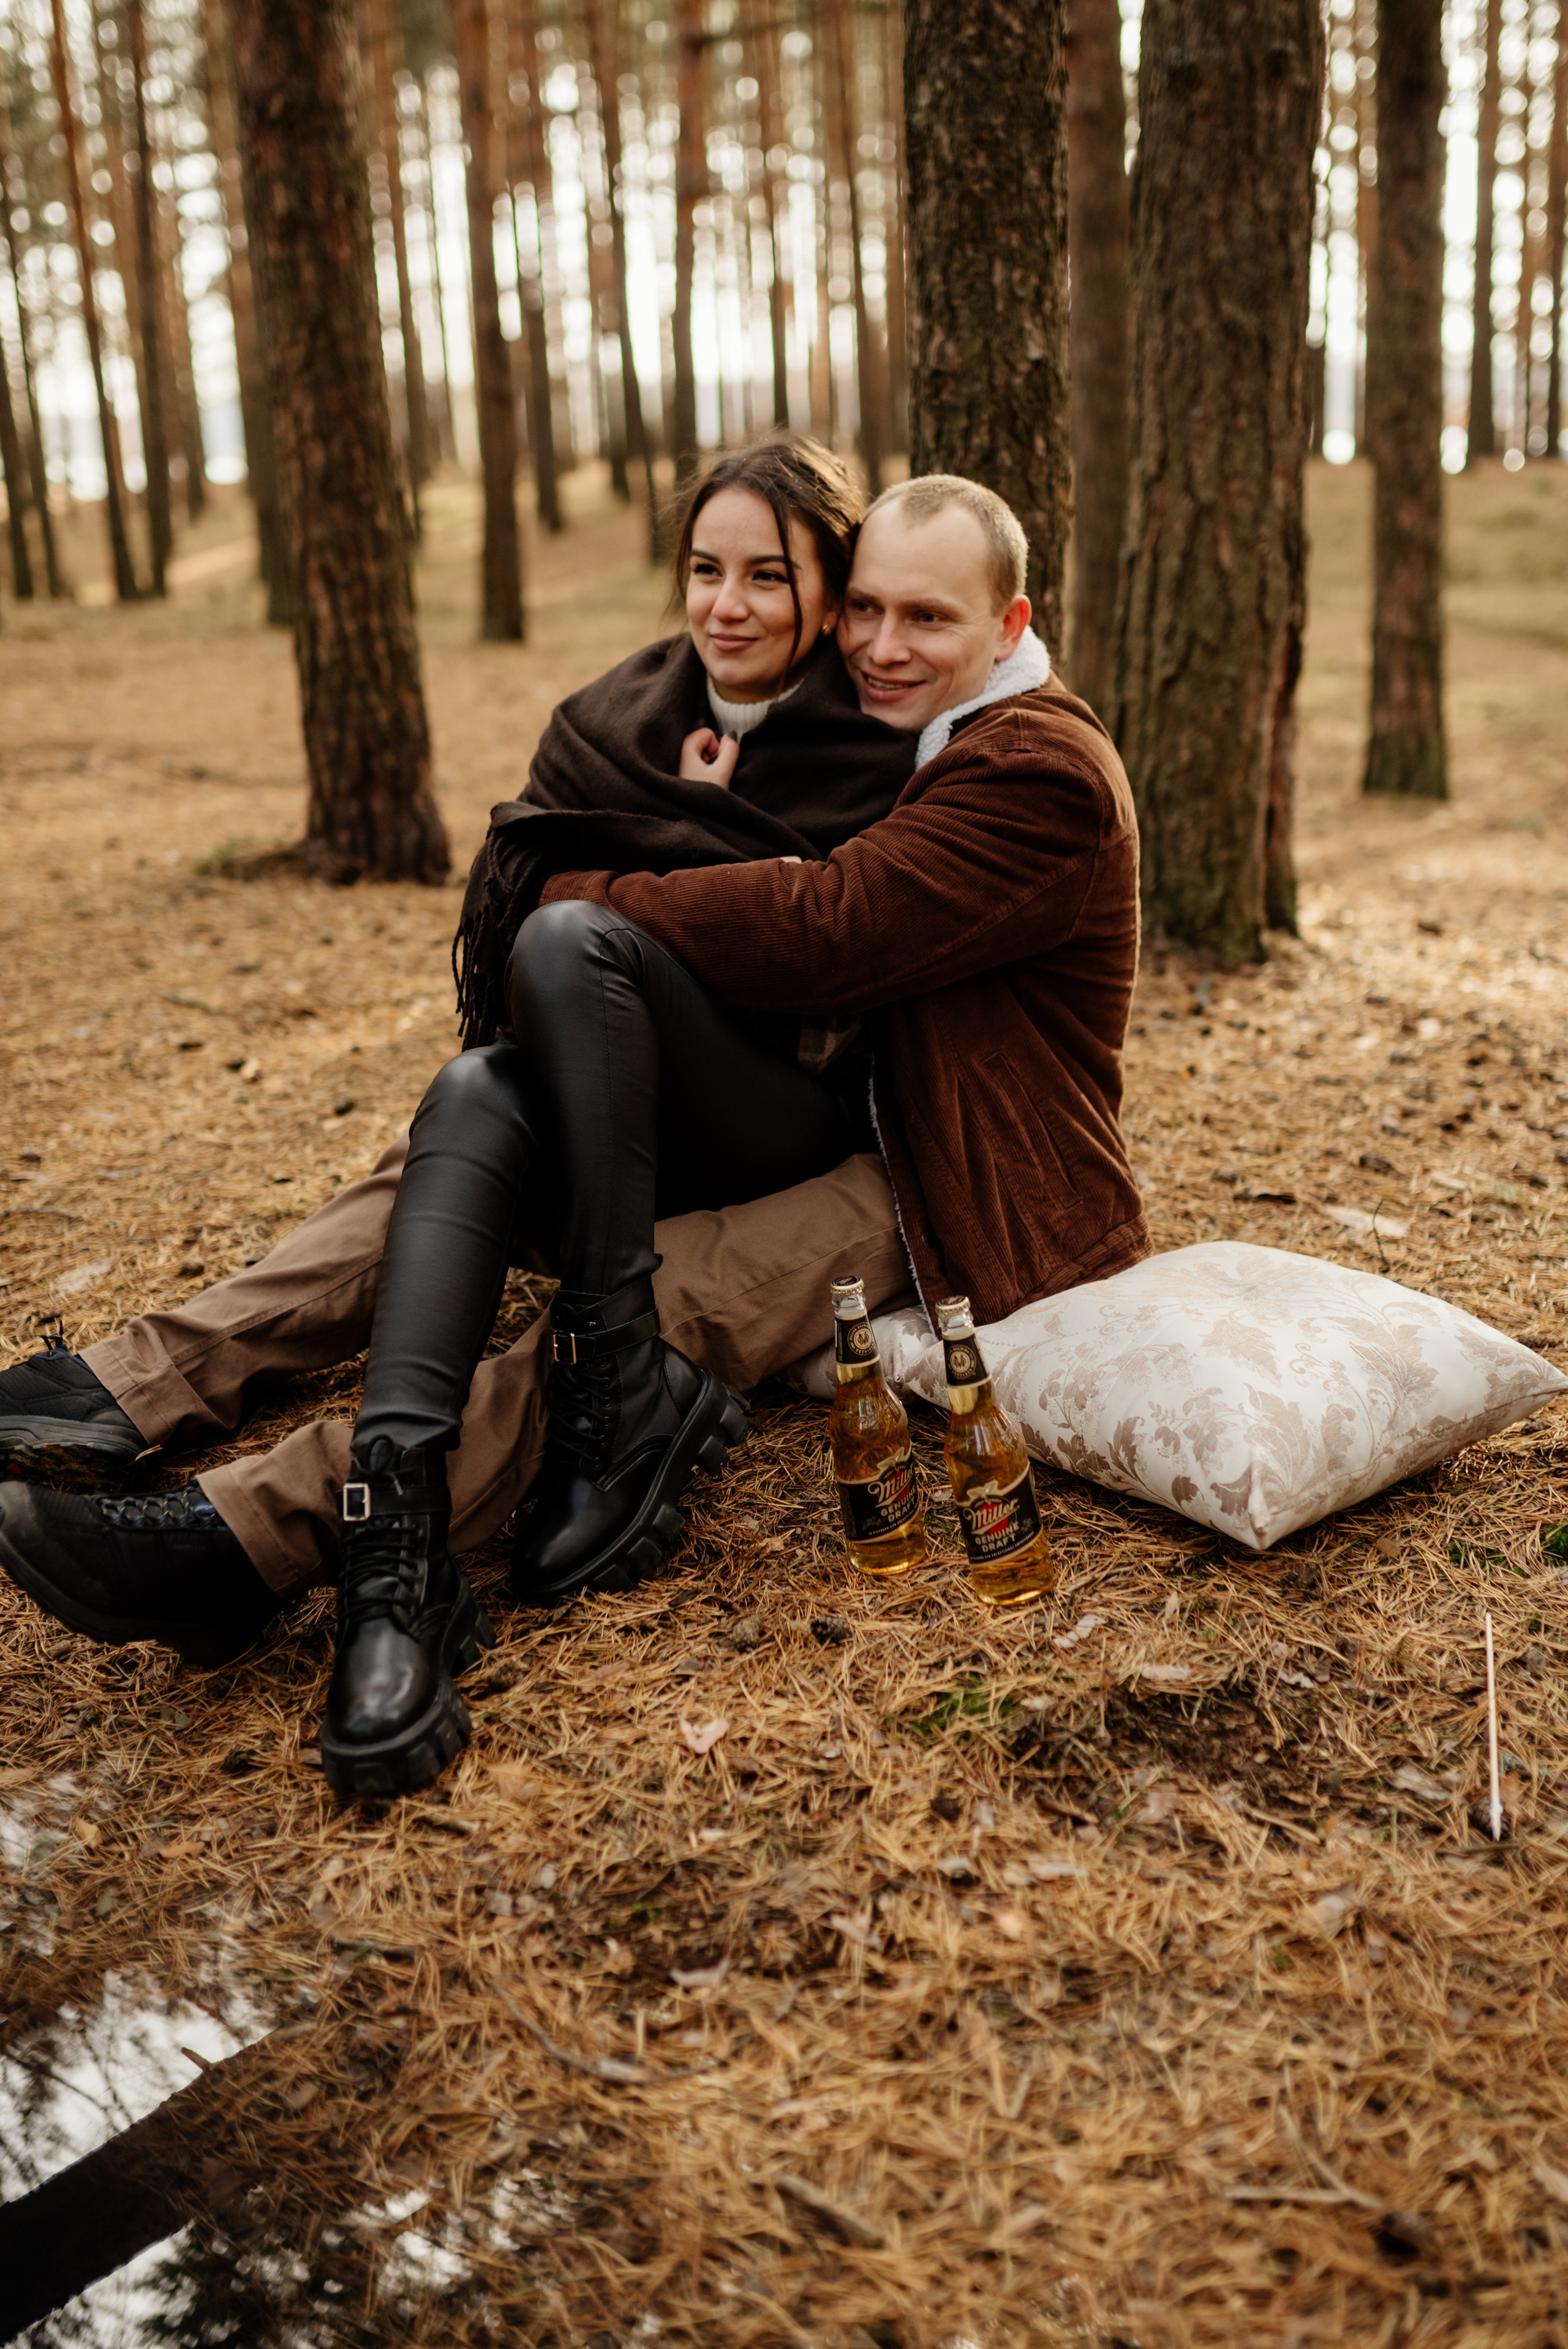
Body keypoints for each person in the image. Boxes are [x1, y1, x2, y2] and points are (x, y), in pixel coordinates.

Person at [0, 468, 1148, 1799]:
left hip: (948, 1175)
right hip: (834, 1112)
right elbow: (753, 856)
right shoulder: (898, 726)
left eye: (928, 620)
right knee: (467, 1129)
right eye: (869, 611)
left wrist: (582, 889)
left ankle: (262, 1531)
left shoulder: (1038, 771)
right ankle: (131, 1388)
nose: (885, 646)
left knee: (670, 1300)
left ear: (1008, 623)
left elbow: (828, 926)